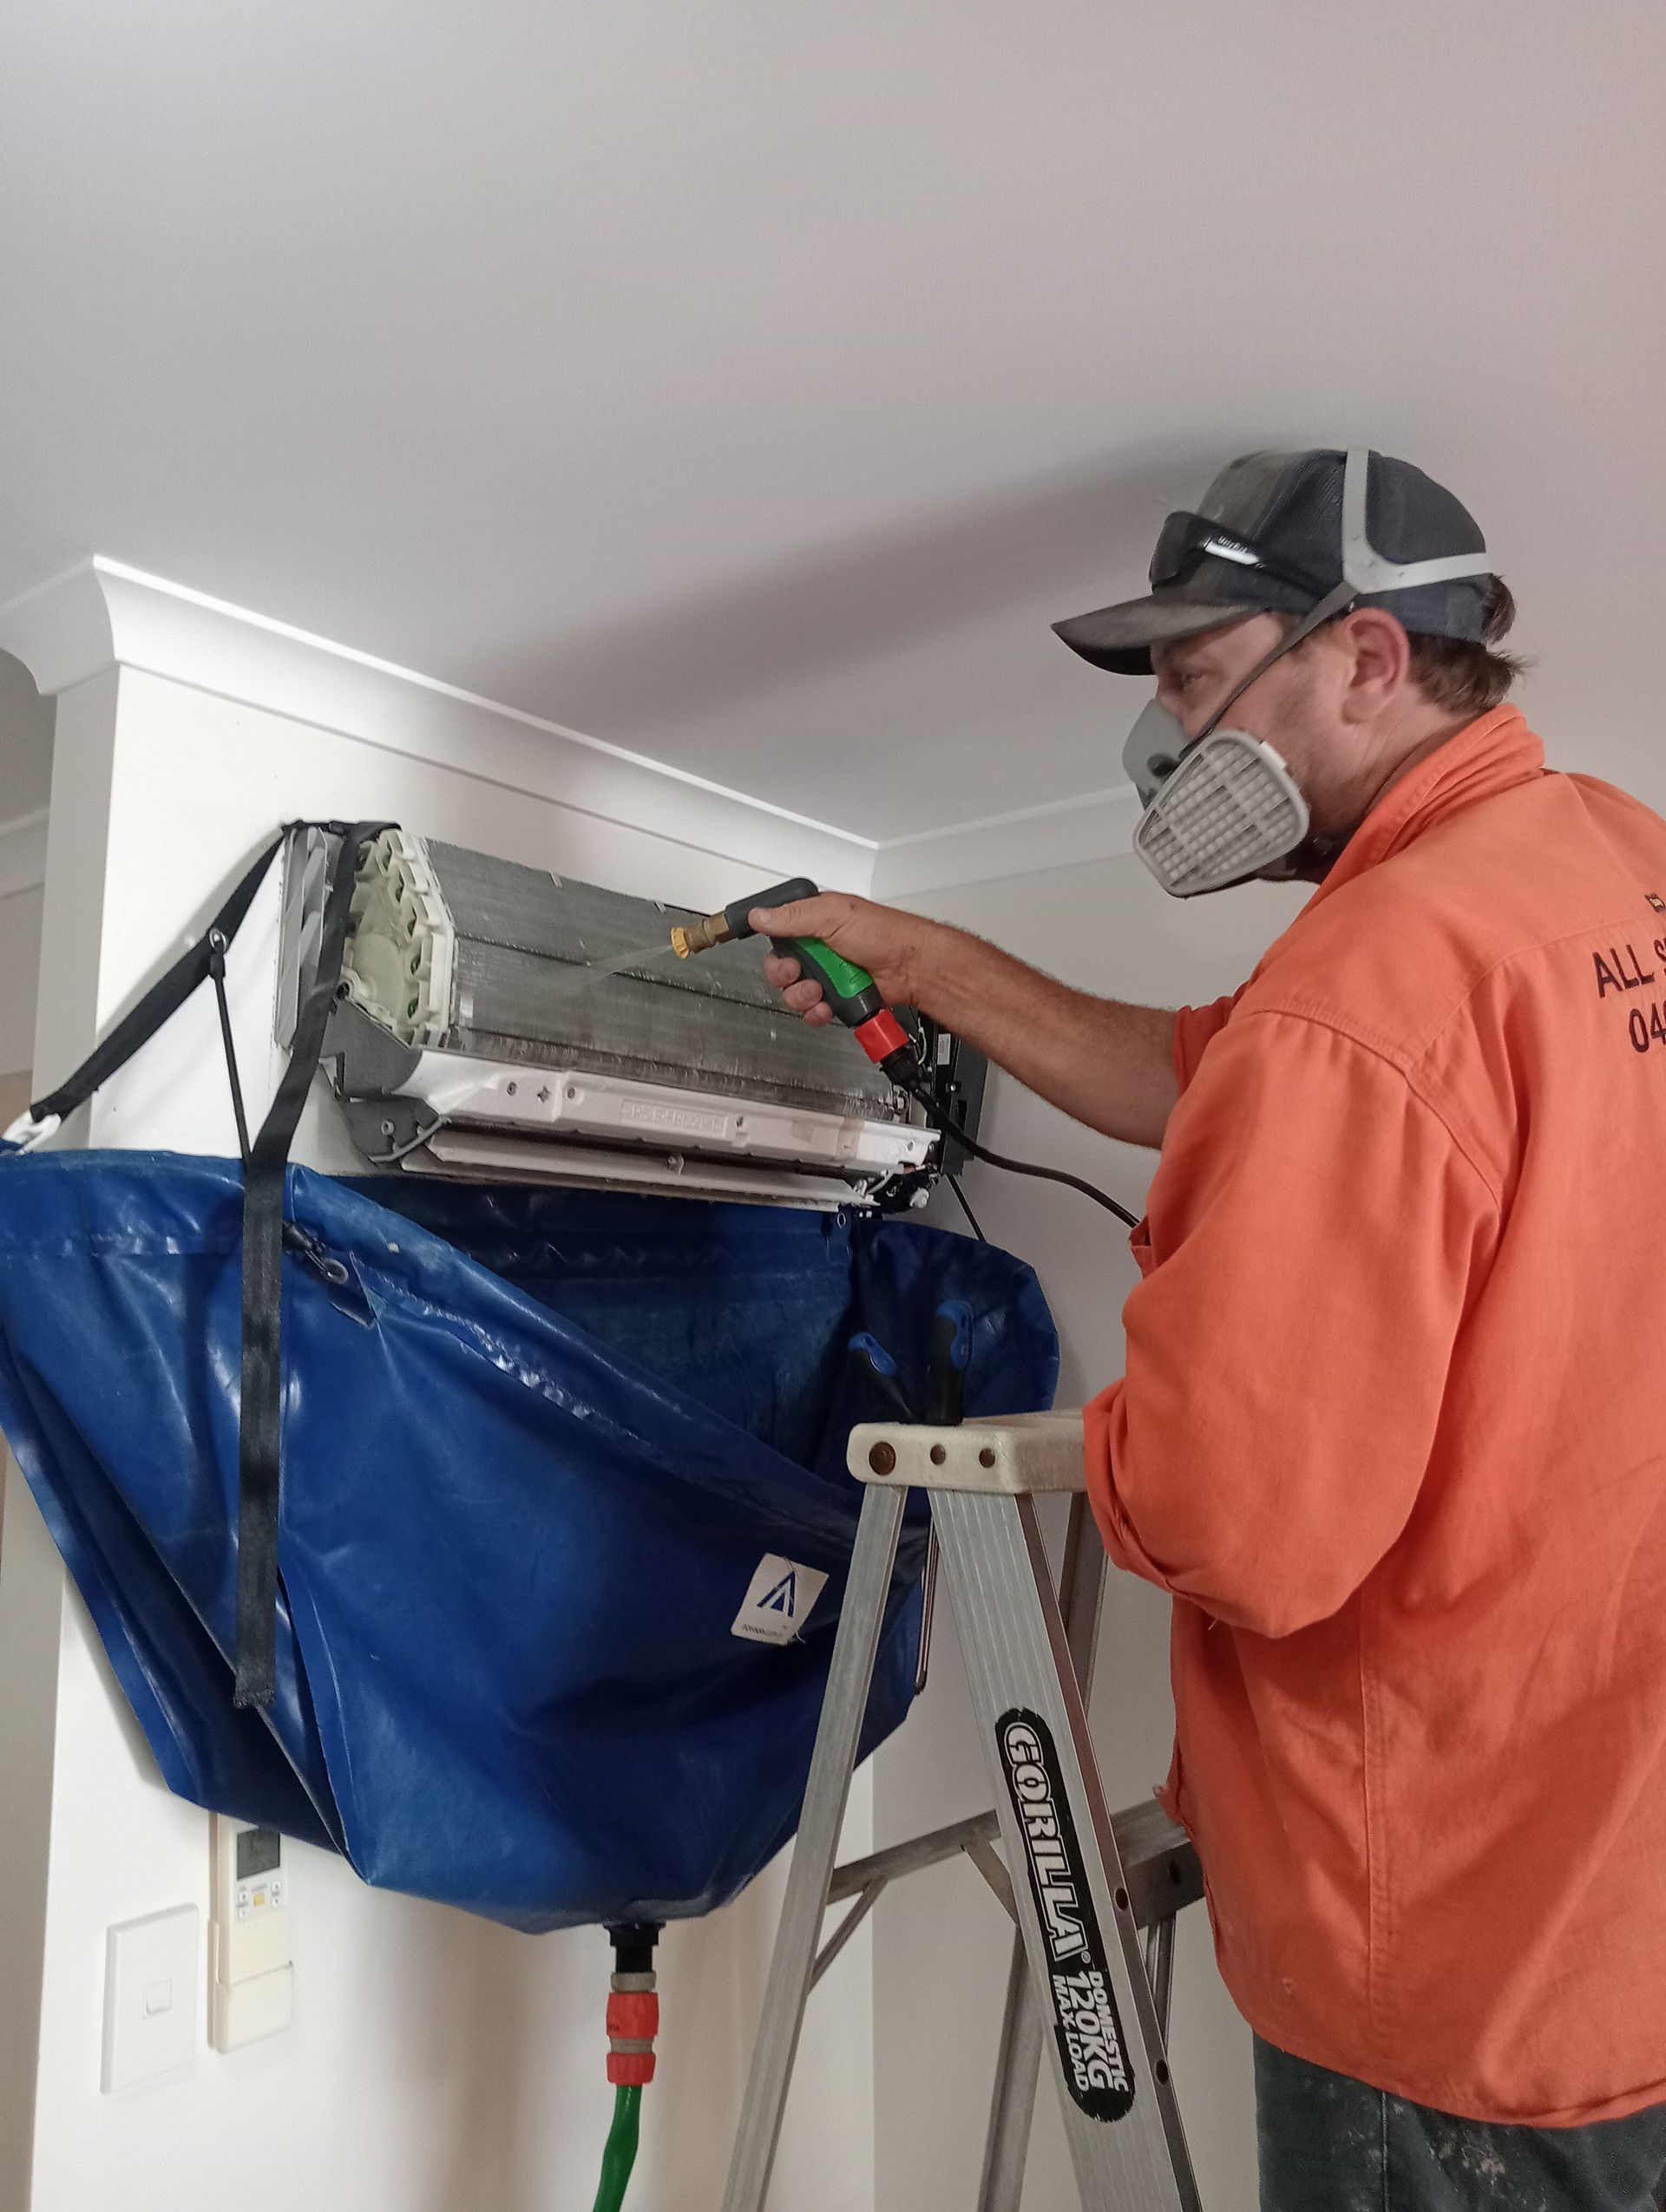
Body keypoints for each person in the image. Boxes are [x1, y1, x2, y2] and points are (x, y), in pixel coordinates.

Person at [752, 449, 1666, 2211]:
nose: (1165, 738)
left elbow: (1245, 1528)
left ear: (1370, 661)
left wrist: (1101, 1437)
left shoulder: (1375, 975)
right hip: (1617, 1883)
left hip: (1448, 1951)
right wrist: (910, 953)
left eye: (1190, 676)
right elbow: (1208, 1076)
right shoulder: (1608, 865)